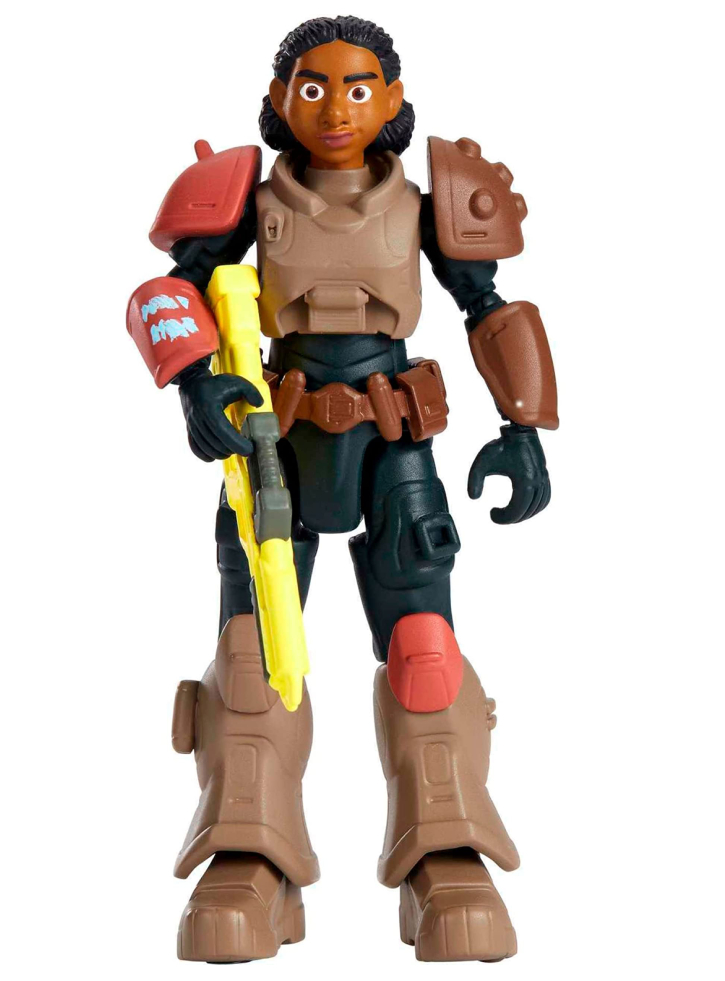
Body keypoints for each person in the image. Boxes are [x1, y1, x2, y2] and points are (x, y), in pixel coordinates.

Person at [127, 14, 558, 963]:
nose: (335, 108)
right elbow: (168, 292)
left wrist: (522, 427)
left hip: (393, 447)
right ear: (279, 99)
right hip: (271, 443)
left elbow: (489, 308)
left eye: (358, 88)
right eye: (312, 88)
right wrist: (197, 381)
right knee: (252, 653)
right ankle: (249, 847)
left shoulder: (431, 200)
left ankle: (444, 845)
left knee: (423, 648)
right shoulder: (242, 196)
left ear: (392, 99)